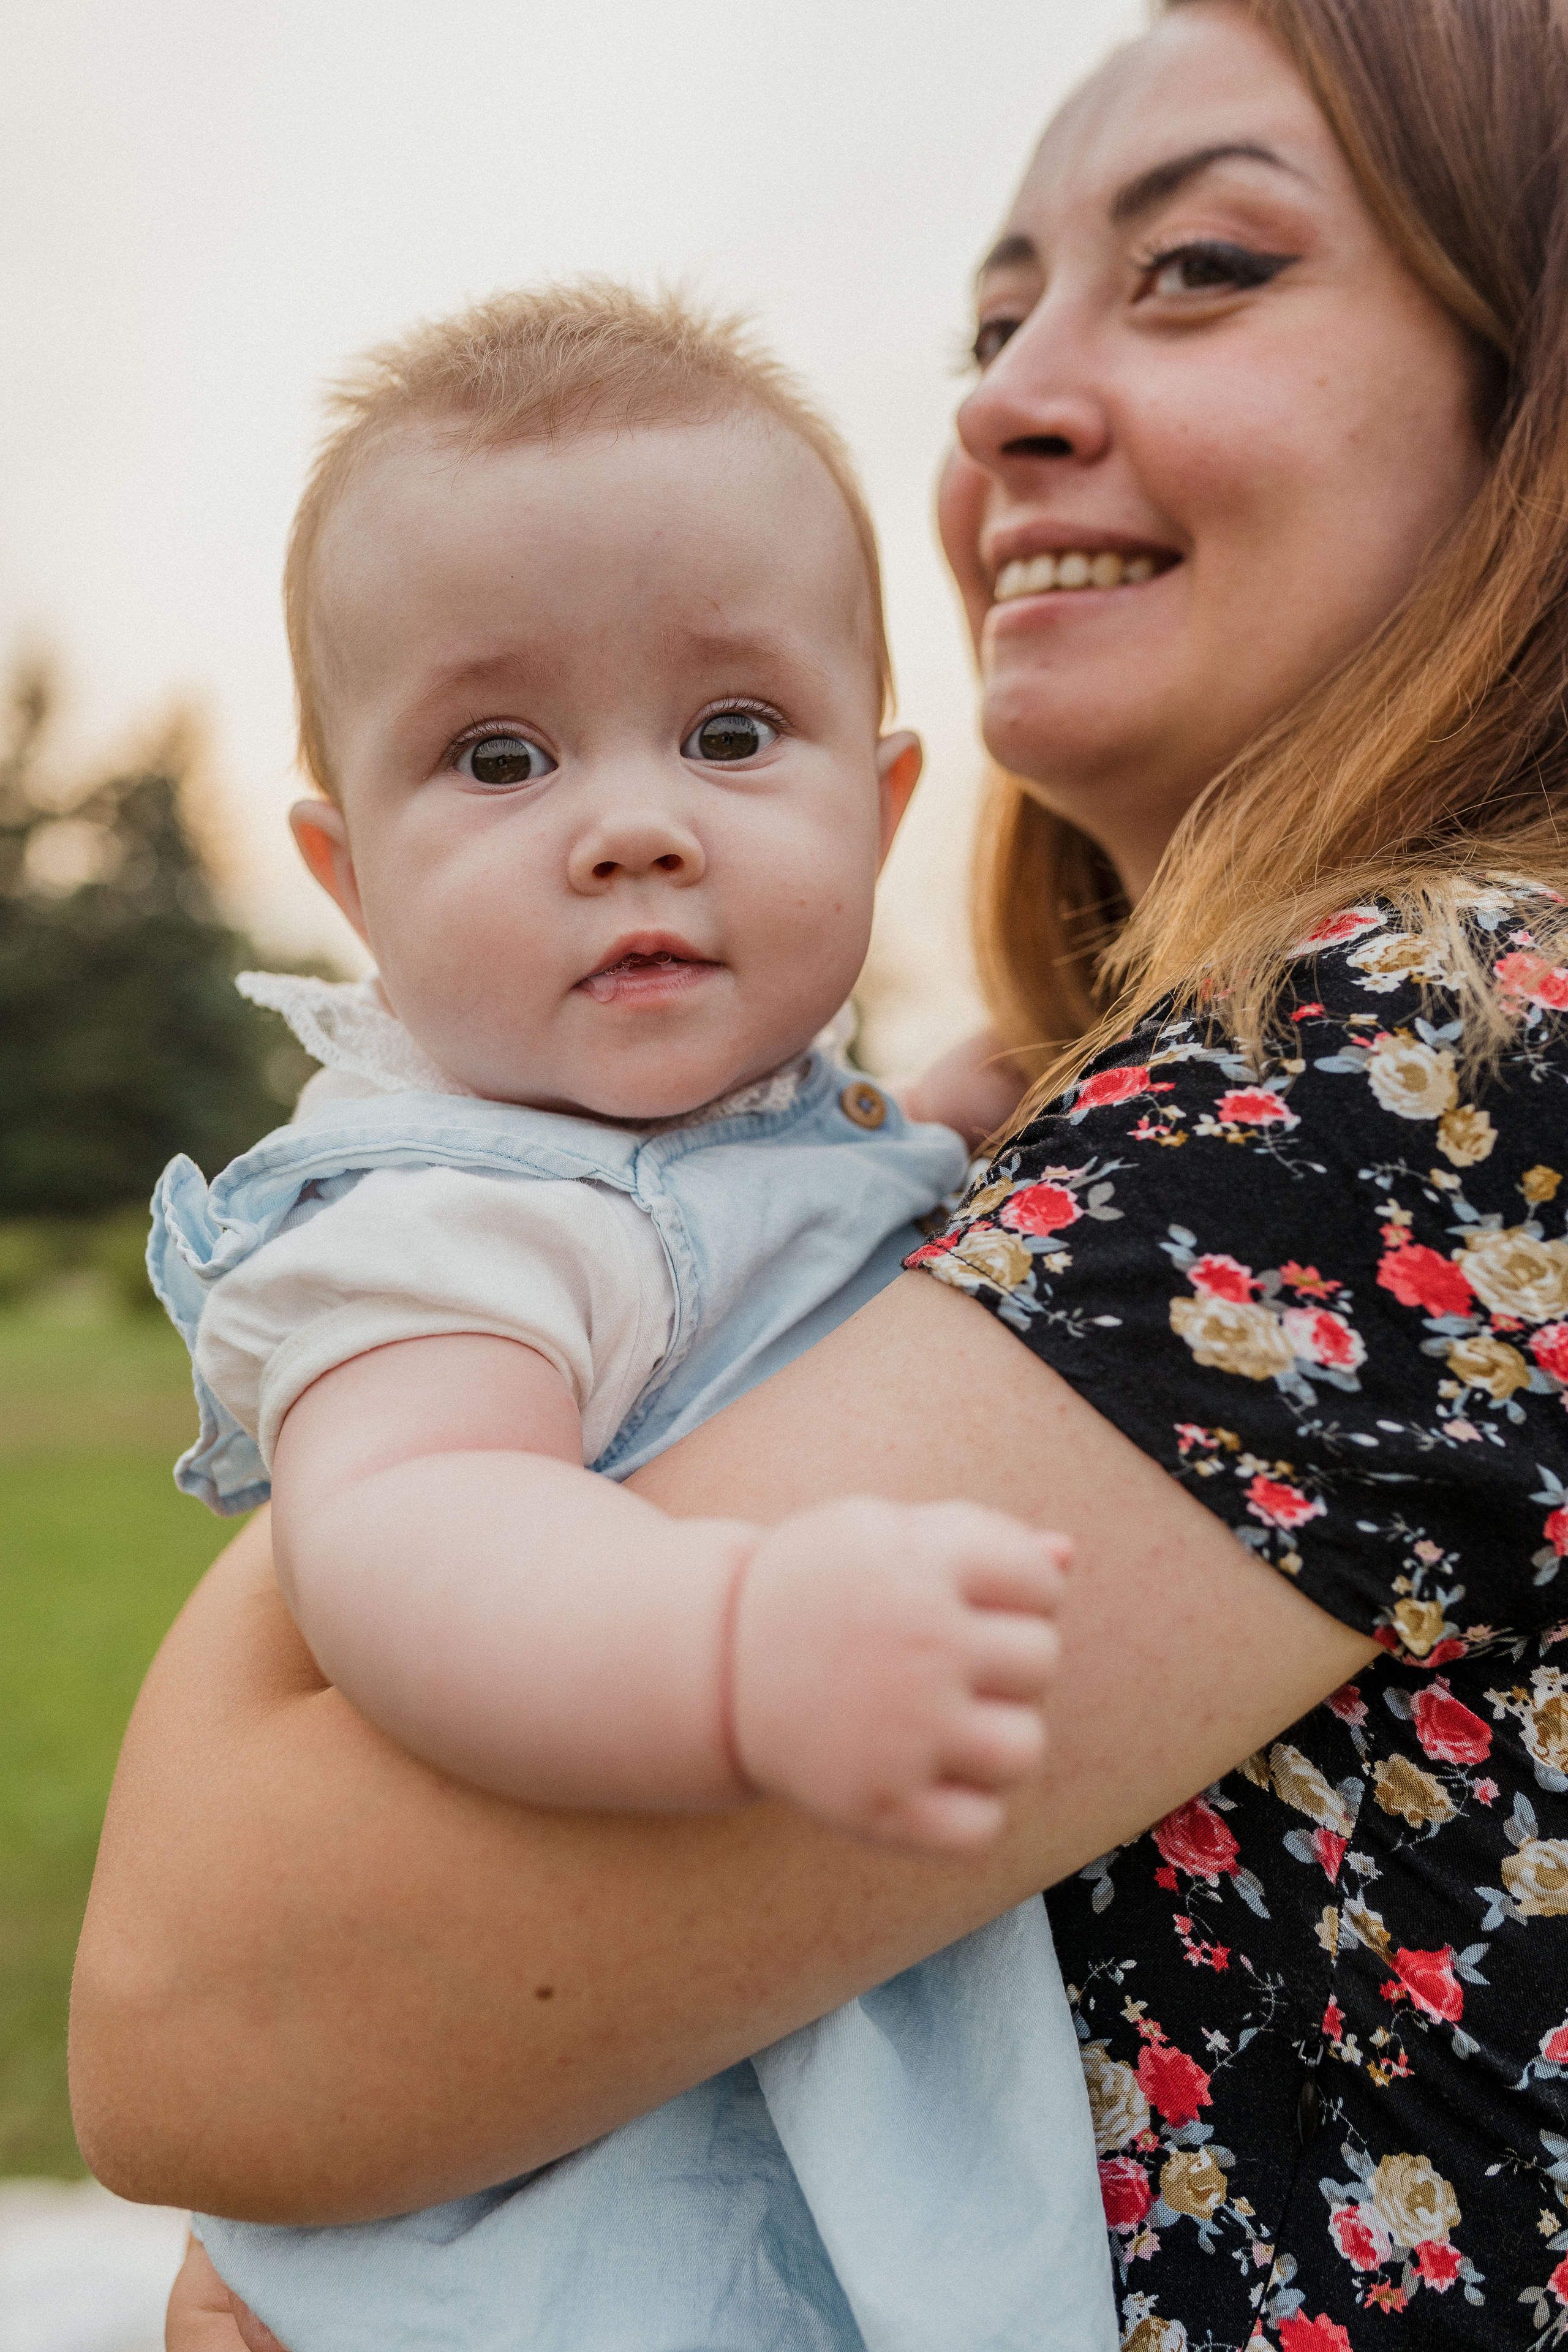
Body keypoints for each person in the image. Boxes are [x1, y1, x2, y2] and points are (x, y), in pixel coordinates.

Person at [72, 0, 1568, 2343]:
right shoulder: (525, 1201)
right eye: (993, 317)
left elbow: (213, 2008)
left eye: (1198, 269)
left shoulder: (1447, 1046)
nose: (1001, 400)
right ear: (341, 874)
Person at [146, 281, 1107, 2350]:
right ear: (347, 877)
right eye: (501, 757)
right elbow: (414, 1536)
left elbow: (783, 1232)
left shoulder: (752, 1139)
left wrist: (951, 1125)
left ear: (884, 794)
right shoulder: (452, 1223)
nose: (636, 821)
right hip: (567, 2233)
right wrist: (732, 1648)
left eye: (735, 733)